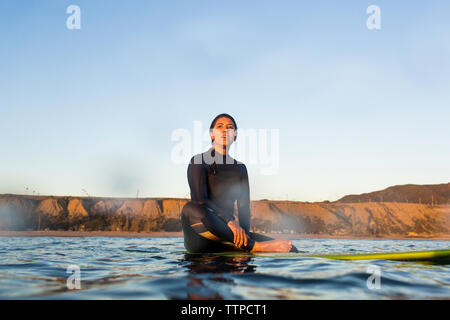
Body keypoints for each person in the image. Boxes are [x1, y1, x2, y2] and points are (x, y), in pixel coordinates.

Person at [180, 113, 298, 253]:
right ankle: (255, 247)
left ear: (235, 135)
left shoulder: (240, 169)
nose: (225, 130)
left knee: (291, 248)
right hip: (202, 232)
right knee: (191, 208)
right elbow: (200, 200)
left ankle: (247, 246)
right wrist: (229, 222)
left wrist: (244, 237)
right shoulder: (199, 162)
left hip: (228, 235)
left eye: (230, 128)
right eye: (220, 127)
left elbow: (244, 208)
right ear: (212, 134)